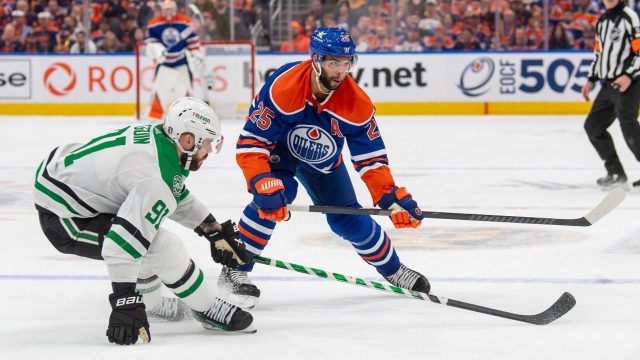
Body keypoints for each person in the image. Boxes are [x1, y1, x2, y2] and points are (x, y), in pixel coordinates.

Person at [224, 27, 429, 309]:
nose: (341, 71)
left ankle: (393, 269)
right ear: (315, 59)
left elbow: (371, 159)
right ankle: (235, 268)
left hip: (324, 161)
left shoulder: (356, 103)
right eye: (334, 62)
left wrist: (390, 197)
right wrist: (260, 179)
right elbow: (252, 142)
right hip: (279, 155)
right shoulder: (283, 87)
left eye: (347, 63)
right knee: (275, 196)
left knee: (348, 219)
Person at [33, 97, 255, 345]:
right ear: (188, 140)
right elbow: (121, 246)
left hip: (65, 179)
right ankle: (207, 308)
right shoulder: (154, 176)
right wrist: (124, 302)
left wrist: (211, 229)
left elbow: (173, 189)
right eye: (207, 144)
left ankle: (151, 303)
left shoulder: (159, 140)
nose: (209, 152)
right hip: (66, 217)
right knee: (160, 246)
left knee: (146, 238)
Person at [581, 0, 640, 188]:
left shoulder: (629, 17)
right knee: (593, 126)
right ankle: (615, 172)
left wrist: (628, 75)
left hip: (630, 83)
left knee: (628, 124)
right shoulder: (602, 20)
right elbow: (599, 54)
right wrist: (591, 79)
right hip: (609, 84)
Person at [145, 0, 213, 120]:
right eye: (166, 10)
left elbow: (192, 42)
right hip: (164, 63)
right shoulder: (154, 24)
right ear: (161, 10)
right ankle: (155, 117)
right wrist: (157, 50)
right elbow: (150, 43)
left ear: (175, 10)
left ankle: (185, 117)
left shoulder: (184, 22)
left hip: (181, 62)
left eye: (171, 10)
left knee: (185, 92)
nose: (168, 13)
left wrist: (196, 55)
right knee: (160, 91)